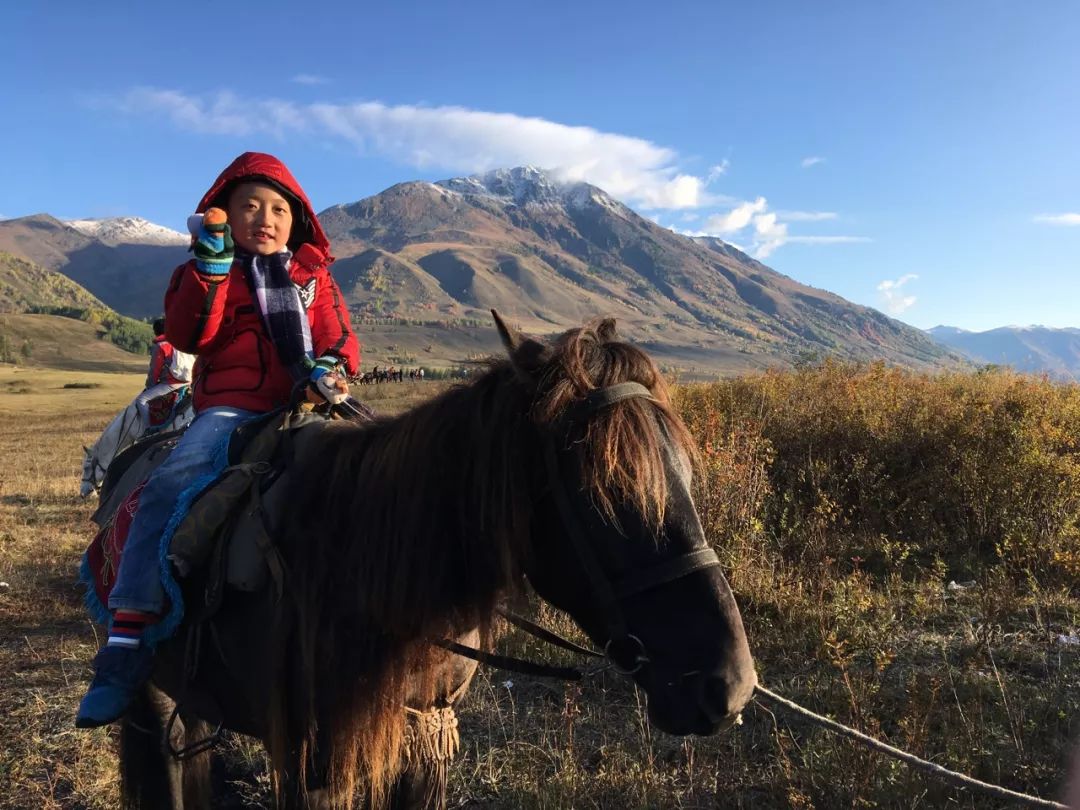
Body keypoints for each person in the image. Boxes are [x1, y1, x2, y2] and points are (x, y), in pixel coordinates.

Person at [76, 152, 360, 727]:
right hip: (231, 410)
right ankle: (127, 637)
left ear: (297, 220)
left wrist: (329, 367)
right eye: (249, 205)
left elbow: (339, 337)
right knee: (170, 485)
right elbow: (189, 333)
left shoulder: (313, 277)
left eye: (279, 209)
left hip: (308, 406)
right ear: (221, 214)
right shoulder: (206, 272)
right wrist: (209, 270)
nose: (265, 217)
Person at [134, 318, 194, 430]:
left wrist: (150, 386)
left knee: (141, 400)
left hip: (172, 383)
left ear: (156, 331)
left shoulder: (161, 346)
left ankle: (149, 430)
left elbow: (154, 370)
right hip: (190, 381)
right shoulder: (179, 342)